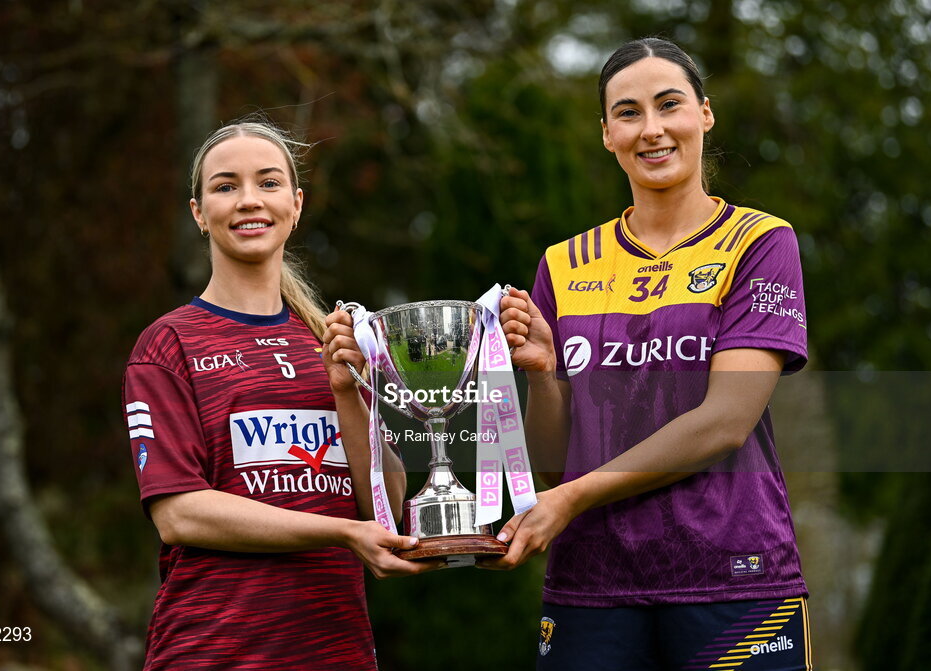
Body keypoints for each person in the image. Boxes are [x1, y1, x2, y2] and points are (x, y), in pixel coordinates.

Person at [491, 38, 813, 670]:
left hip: (735, 579)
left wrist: (574, 498)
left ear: (705, 113)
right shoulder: (562, 263)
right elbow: (554, 466)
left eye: (670, 105)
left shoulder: (761, 242)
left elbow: (725, 422)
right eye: (629, 112)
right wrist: (548, 378)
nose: (653, 129)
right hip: (592, 587)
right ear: (607, 133)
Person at [122, 117, 431, 670]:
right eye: (225, 186)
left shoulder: (331, 340)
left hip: (338, 653)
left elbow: (384, 507)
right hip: (213, 653)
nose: (248, 201)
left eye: (267, 183)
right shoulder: (168, 344)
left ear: (296, 203)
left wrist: (345, 394)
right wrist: (340, 532)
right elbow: (180, 514)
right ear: (198, 213)